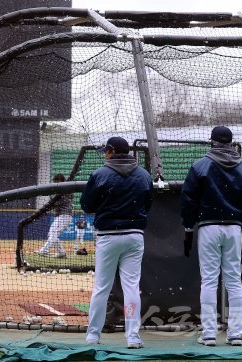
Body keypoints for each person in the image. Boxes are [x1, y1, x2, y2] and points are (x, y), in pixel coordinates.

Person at [181, 126, 242, 347]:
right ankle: (235, 334)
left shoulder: (200, 166)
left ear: (212, 142)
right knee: (234, 281)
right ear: (231, 143)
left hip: (208, 227)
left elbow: (188, 200)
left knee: (209, 280)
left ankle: (209, 334)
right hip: (234, 228)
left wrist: (188, 229)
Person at [80, 136, 153, 349]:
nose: (105, 154)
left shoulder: (100, 173)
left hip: (108, 235)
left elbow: (86, 204)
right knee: (131, 288)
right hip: (134, 235)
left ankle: (93, 335)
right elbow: (148, 204)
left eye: (106, 151)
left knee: (102, 287)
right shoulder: (143, 174)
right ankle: (132, 337)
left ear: (111, 151)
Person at [35, 174, 73, 258]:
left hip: (64, 215)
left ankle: (44, 251)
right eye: (55, 181)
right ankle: (61, 253)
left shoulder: (64, 191)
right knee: (53, 233)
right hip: (62, 216)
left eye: (57, 181)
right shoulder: (62, 190)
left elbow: (55, 203)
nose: (55, 183)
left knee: (52, 233)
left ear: (61, 181)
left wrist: (44, 209)